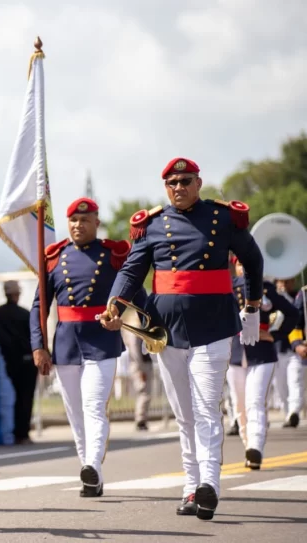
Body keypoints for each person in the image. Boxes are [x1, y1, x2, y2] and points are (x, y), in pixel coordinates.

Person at [99, 157, 263, 520]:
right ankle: (191, 486)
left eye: (185, 181)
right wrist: (115, 304)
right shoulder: (152, 224)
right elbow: (132, 269)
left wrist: (252, 306)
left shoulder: (222, 218)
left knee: (206, 408)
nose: (179, 187)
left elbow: (252, 259)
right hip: (166, 330)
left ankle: (209, 486)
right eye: (172, 182)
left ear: (198, 183)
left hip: (214, 327)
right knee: (184, 414)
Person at [31, 197, 136, 498]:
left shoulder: (113, 255)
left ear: (96, 223)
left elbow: (134, 291)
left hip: (101, 340)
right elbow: (40, 305)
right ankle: (89, 473)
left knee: (93, 407)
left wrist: (140, 319)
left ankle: (93, 465)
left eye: (85, 220)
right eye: (74, 221)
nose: (78, 225)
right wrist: (39, 345)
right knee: (76, 414)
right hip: (65, 344)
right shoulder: (53, 257)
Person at [227, 257, 298, 469]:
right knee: (240, 406)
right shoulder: (227, 286)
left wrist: (275, 335)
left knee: (255, 401)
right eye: (240, 264)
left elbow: (292, 313)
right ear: (235, 266)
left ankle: (256, 447)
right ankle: (249, 446)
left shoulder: (265, 288)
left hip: (262, 353)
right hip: (236, 353)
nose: (243, 267)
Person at [0, 280, 37, 445]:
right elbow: (36, 336)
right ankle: (22, 433)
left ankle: (13, 431)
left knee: (12, 397)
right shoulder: (25, 314)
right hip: (28, 361)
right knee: (26, 397)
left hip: (9, 362)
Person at [275, 278, 304, 427]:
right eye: (281, 281)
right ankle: (288, 413)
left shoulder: (299, 296)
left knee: (295, 380)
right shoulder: (271, 297)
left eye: (287, 281)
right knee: (281, 385)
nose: (284, 285)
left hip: (294, 350)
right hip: (278, 347)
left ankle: (294, 412)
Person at [124, 329, 153, 431]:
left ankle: (142, 418)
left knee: (145, 393)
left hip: (142, 365)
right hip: (141, 366)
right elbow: (135, 352)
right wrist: (141, 370)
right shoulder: (135, 333)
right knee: (144, 392)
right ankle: (141, 419)